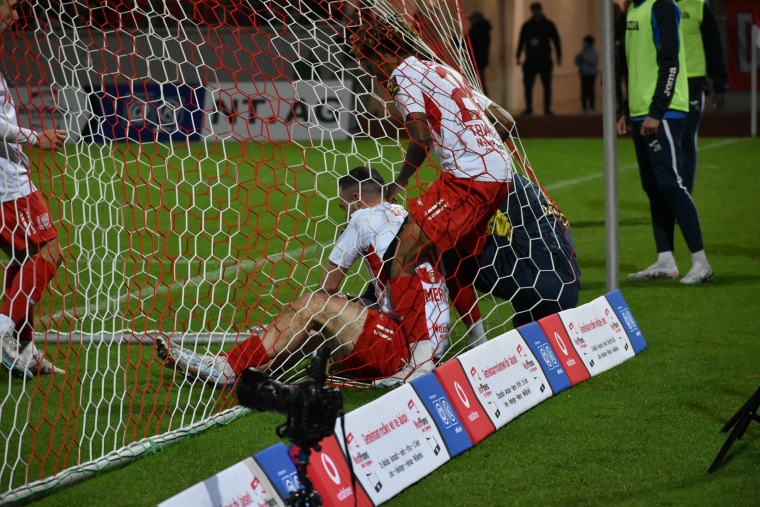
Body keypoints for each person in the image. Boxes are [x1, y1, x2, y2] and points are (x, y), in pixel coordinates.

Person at [156, 167, 451, 388]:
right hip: (431, 342)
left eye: (343, 206)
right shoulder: (406, 216)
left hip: (403, 352)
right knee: (325, 316)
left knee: (312, 307)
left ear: (356, 198)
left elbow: (327, 288)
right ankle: (253, 373)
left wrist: (290, 320)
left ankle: (229, 365)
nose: (345, 214)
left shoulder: (362, 218)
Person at [347, 13, 515, 350]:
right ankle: (478, 345)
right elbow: (507, 122)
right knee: (450, 261)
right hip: (500, 175)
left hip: (468, 179)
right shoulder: (443, 70)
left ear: (380, 55)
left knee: (404, 255)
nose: (369, 72)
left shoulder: (400, 76)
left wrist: (398, 182)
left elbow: (421, 137)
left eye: (366, 64)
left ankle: (418, 356)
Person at [617, 0, 713, 285]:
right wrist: (626, 109)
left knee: (671, 184)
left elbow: (670, 61)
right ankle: (665, 260)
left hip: (663, 113)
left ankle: (701, 262)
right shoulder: (634, 10)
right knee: (653, 186)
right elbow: (635, 67)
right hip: (639, 112)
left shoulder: (661, 6)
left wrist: (657, 111)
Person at [0, 0, 67, 379]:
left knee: (25, 261)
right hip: (8, 183)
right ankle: (3, 330)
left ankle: (23, 351)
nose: (15, 14)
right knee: (51, 253)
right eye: (8, 5)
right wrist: (33, 137)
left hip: (9, 178)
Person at [474, 174, 581, 328]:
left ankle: (474, 335)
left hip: (540, 279)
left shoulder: (490, 182)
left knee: (447, 251)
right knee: (534, 342)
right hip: (568, 282)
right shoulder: (522, 186)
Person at [675, 0, 728, 194]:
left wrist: (720, 84)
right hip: (667, 81)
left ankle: (684, 194)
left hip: (693, 81)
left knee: (686, 135)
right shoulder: (658, 5)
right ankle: (671, 192)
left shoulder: (699, 5)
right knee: (669, 140)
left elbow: (713, 45)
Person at [516, 2, 561, 116]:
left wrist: (559, 55)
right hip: (531, 58)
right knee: (528, 85)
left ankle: (547, 108)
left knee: (546, 84)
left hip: (544, 58)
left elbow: (556, 40)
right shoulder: (527, 25)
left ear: (540, 10)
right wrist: (518, 55)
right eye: (534, 10)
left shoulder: (548, 25)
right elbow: (522, 41)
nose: (536, 12)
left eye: (537, 10)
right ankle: (529, 108)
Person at [467, 11, 492, 96]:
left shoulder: (477, 30)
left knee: (477, 81)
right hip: (480, 60)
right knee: (479, 81)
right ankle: (483, 100)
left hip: (477, 59)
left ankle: (483, 101)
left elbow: (468, 42)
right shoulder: (484, 30)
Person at [574, 35, 599, 115]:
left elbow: (593, 62)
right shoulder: (583, 51)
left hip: (591, 74)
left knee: (590, 91)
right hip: (584, 74)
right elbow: (577, 60)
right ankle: (584, 108)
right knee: (584, 92)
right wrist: (579, 57)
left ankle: (592, 108)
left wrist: (583, 58)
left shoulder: (593, 52)